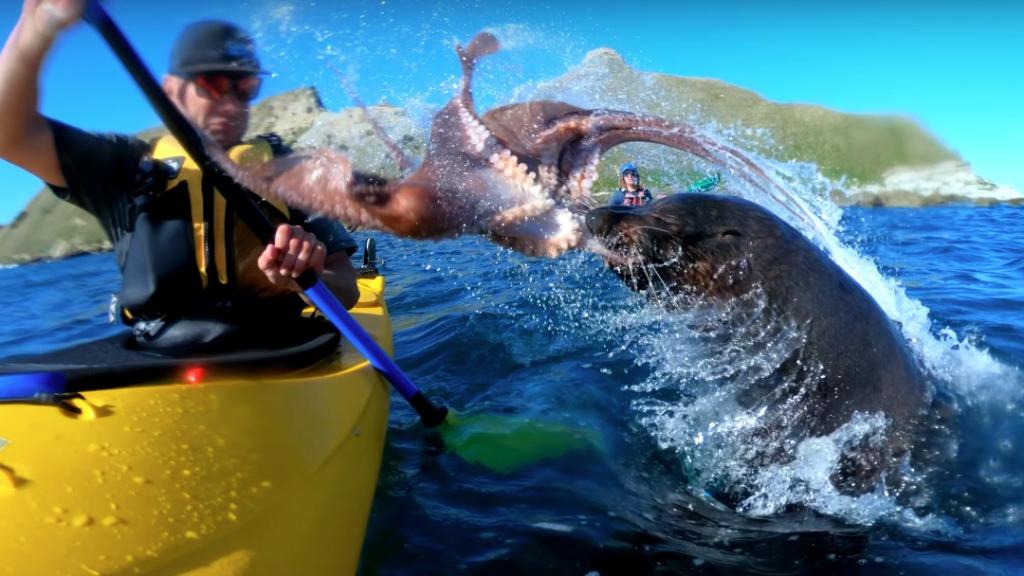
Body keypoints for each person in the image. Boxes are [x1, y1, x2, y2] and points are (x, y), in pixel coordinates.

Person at [0, 0, 359, 353]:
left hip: (285, 349)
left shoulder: (292, 171)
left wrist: (305, 280)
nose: (232, 103)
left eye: (245, 87)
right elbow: (9, 133)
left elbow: (347, 288)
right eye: (213, 84)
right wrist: (36, 28)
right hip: (161, 356)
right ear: (171, 89)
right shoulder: (128, 167)